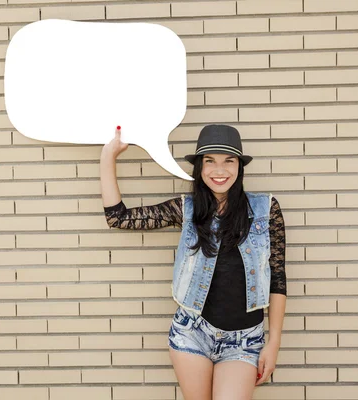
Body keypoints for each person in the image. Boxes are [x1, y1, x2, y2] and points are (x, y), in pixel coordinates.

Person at [100, 124, 287, 400]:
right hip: (192, 333)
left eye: (228, 161)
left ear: (239, 167)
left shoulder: (265, 209)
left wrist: (273, 344)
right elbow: (118, 217)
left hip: (244, 340)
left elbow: (278, 278)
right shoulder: (186, 210)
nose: (219, 170)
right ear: (199, 167)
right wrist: (108, 157)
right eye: (209, 161)